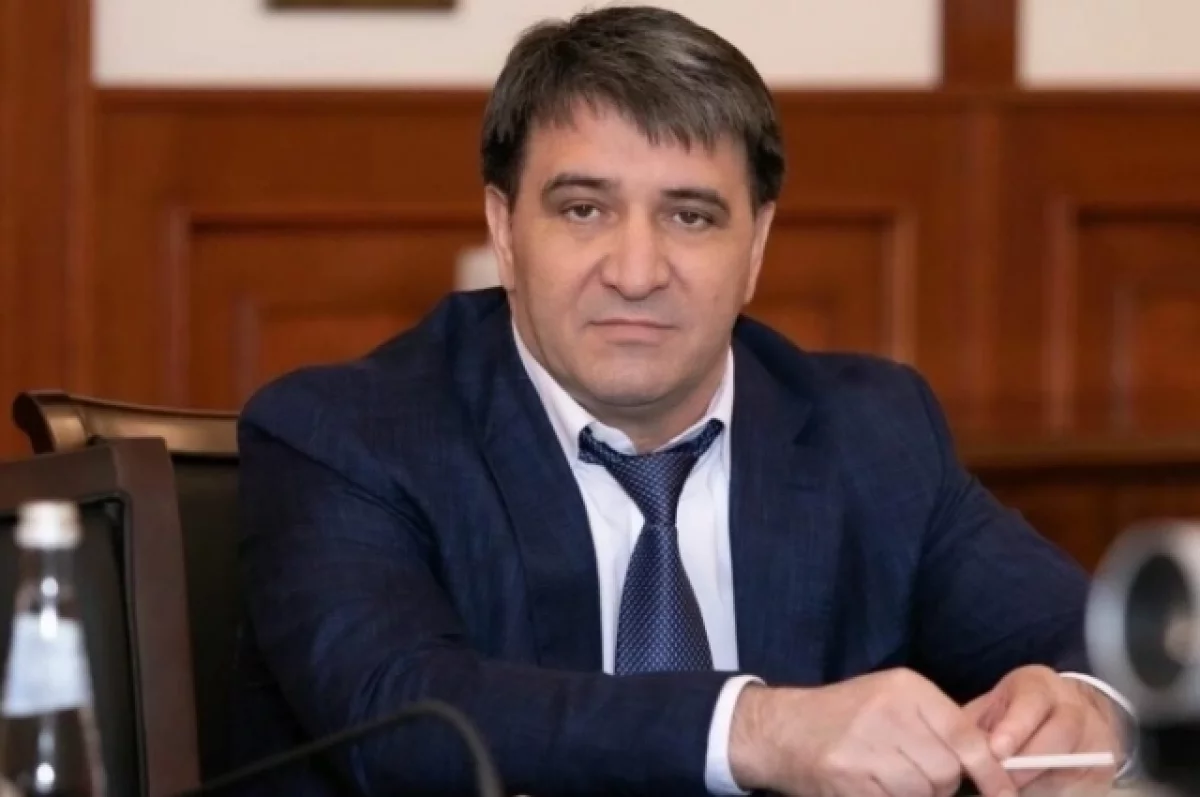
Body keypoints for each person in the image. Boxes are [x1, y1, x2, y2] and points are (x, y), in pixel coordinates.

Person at [230, 6, 1131, 797]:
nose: (636, 271)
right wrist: (760, 729)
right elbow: (404, 718)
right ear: (504, 230)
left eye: (690, 216)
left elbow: (1101, 643)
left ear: (757, 245)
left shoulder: (872, 433)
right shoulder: (351, 436)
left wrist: (1085, 709)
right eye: (584, 210)